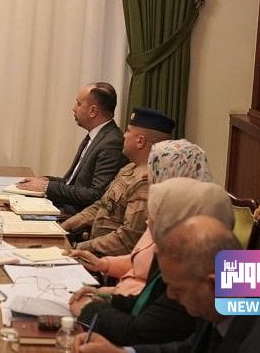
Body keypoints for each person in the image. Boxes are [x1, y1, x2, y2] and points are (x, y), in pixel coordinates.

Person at [75, 216, 260, 352]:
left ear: (213, 284)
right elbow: (189, 347)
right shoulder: (234, 278)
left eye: (177, 288)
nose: (170, 296)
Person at [70, 178, 234, 346]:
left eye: (156, 217)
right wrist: (107, 299)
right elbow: (187, 347)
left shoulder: (193, 270)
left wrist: (89, 309)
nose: (171, 294)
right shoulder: (223, 275)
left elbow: (141, 332)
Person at [69, 140, 212, 299]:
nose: (147, 177)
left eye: (155, 171)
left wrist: (104, 301)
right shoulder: (164, 216)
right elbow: (140, 263)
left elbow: (152, 301)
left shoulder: (190, 238)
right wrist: (103, 265)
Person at [61, 108, 174, 256]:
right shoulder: (128, 169)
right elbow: (100, 205)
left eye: (128, 131)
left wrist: (77, 248)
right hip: (92, 249)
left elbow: (127, 241)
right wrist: (64, 227)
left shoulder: (145, 183)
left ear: (140, 141)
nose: (124, 136)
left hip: (106, 259)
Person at [16, 83, 126, 215]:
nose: (74, 108)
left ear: (93, 111)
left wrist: (47, 187)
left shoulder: (112, 142)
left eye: (79, 104)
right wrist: (45, 180)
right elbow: (71, 183)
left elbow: (96, 195)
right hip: (65, 209)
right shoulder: (97, 136)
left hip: (75, 217)